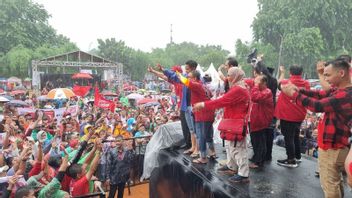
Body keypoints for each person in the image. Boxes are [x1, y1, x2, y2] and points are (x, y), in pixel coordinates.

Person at [281, 58, 352, 198]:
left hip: (333, 146)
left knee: (330, 185)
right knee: (335, 183)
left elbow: (317, 106)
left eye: (328, 75)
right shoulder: (340, 90)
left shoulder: (346, 94)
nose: (326, 79)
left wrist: (294, 95)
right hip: (334, 145)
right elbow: (319, 94)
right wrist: (299, 89)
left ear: (341, 73)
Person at [193, 67, 250, 183]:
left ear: (235, 76)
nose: (227, 77)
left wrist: (203, 104)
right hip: (232, 121)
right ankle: (232, 166)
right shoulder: (238, 87)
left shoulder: (238, 89)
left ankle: (243, 174)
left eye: (229, 75)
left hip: (236, 122)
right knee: (230, 146)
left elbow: (222, 101)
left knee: (237, 148)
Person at [177, 70, 216, 164]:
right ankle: (212, 152)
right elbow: (210, 95)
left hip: (202, 114)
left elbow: (186, 82)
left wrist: (179, 75)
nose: (188, 78)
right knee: (208, 135)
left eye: (189, 77)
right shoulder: (204, 85)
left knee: (201, 136)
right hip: (208, 113)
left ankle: (203, 157)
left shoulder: (197, 85)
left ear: (194, 78)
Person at [275, 65, 310, 168]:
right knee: (295, 135)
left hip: (287, 115)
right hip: (299, 115)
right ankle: (297, 156)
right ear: (301, 73)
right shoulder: (306, 84)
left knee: (288, 138)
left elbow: (277, 83)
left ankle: (291, 160)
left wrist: (282, 72)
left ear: (290, 73)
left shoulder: (286, 83)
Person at [247, 75, 274, 168]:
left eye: (258, 82)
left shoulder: (267, 92)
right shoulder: (260, 90)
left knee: (259, 141)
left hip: (260, 120)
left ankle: (259, 161)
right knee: (254, 140)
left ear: (264, 83)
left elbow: (255, 98)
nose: (256, 83)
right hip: (255, 119)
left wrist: (255, 85)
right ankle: (256, 157)